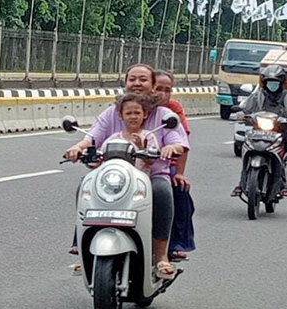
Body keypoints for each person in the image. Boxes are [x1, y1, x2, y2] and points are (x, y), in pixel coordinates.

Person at [65, 64, 190, 279]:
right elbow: (92, 138)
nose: (137, 83)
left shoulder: (164, 115)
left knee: (162, 191)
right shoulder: (112, 113)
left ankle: (161, 257)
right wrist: (78, 149)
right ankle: (83, 250)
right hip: (115, 177)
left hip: (150, 177)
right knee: (85, 186)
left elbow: (178, 142)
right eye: (132, 79)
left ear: (152, 86)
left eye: (143, 80)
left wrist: (170, 147)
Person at [231, 64, 287, 197]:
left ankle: (282, 185)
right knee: (246, 152)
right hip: (258, 133)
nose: (272, 85)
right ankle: (242, 182)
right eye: (270, 82)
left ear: (280, 83)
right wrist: (240, 114)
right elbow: (245, 108)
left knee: (280, 157)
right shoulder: (258, 96)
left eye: (275, 82)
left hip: (280, 134)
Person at [154, 70, 195, 262]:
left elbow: (182, 142)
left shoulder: (171, 111)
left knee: (179, 191)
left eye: (167, 90)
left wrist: (179, 173)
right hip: (129, 166)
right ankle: (83, 243)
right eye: (157, 89)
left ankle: (177, 242)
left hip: (161, 166)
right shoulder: (131, 105)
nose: (162, 94)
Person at [101, 93, 159, 175]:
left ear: (145, 114)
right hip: (118, 178)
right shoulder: (114, 138)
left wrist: (141, 147)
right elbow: (102, 155)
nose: (133, 117)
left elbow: (151, 161)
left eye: (137, 113)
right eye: (128, 113)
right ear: (120, 115)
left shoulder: (148, 137)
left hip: (140, 179)